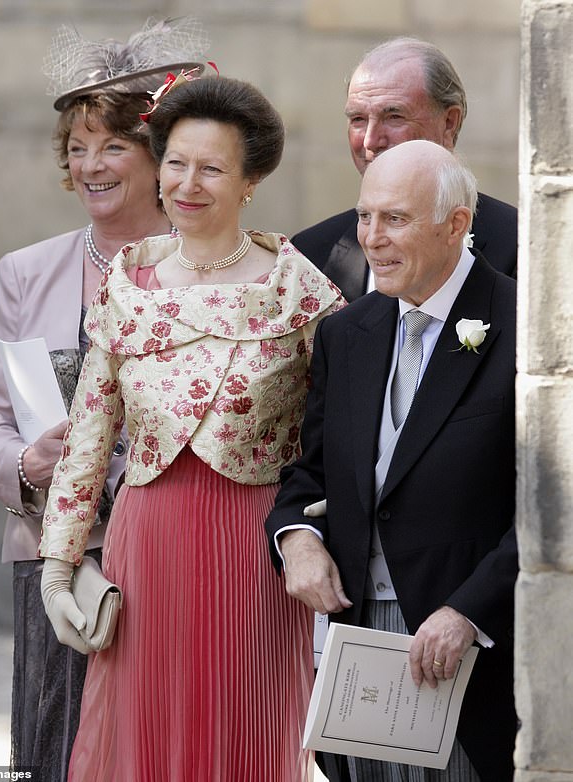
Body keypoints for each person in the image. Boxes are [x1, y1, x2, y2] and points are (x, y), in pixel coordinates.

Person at [38, 73, 345, 781]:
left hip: (255, 547)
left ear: (249, 182)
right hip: (146, 547)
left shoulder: (299, 289)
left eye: (211, 168)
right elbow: (90, 431)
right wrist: (60, 565)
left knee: (250, 731)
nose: (187, 183)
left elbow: (336, 433)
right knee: (142, 735)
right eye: (175, 163)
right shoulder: (127, 283)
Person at [0, 17, 210, 781]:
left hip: (175, 558)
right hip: (56, 567)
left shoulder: (210, 268)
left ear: (158, 157)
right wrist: (25, 464)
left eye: (113, 146)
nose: (91, 165)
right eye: (77, 148)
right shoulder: (23, 273)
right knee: (56, 754)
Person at [266, 140, 517, 782]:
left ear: (457, 224)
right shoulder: (348, 332)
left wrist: (470, 613)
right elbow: (311, 472)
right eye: (363, 217)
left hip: (471, 646)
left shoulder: (524, 326)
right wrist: (295, 538)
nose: (370, 239)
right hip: (359, 640)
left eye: (395, 219)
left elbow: (551, 505)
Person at [292, 37, 518, 301]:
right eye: (358, 119)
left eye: (394, 116)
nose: (370, 140)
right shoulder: (309, 255)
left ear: (449, 123)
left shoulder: (521, 246)